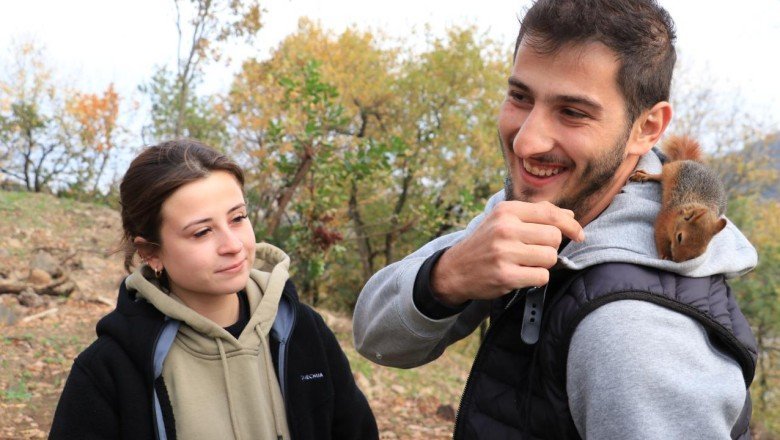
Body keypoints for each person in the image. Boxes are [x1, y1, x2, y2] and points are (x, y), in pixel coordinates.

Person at [352, 0, 758, 438]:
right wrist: (447, 277)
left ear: (647, 128)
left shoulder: (631, 332)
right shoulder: (551, 206)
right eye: (520, 97)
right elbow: (376, 340)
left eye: (573, 112)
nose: (526, 143)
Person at [50, 139, 378, 439]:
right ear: (151, 252)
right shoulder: (109, 369)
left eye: (238, 218)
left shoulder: (303, 330)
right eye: (202, 232)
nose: (233, 245)